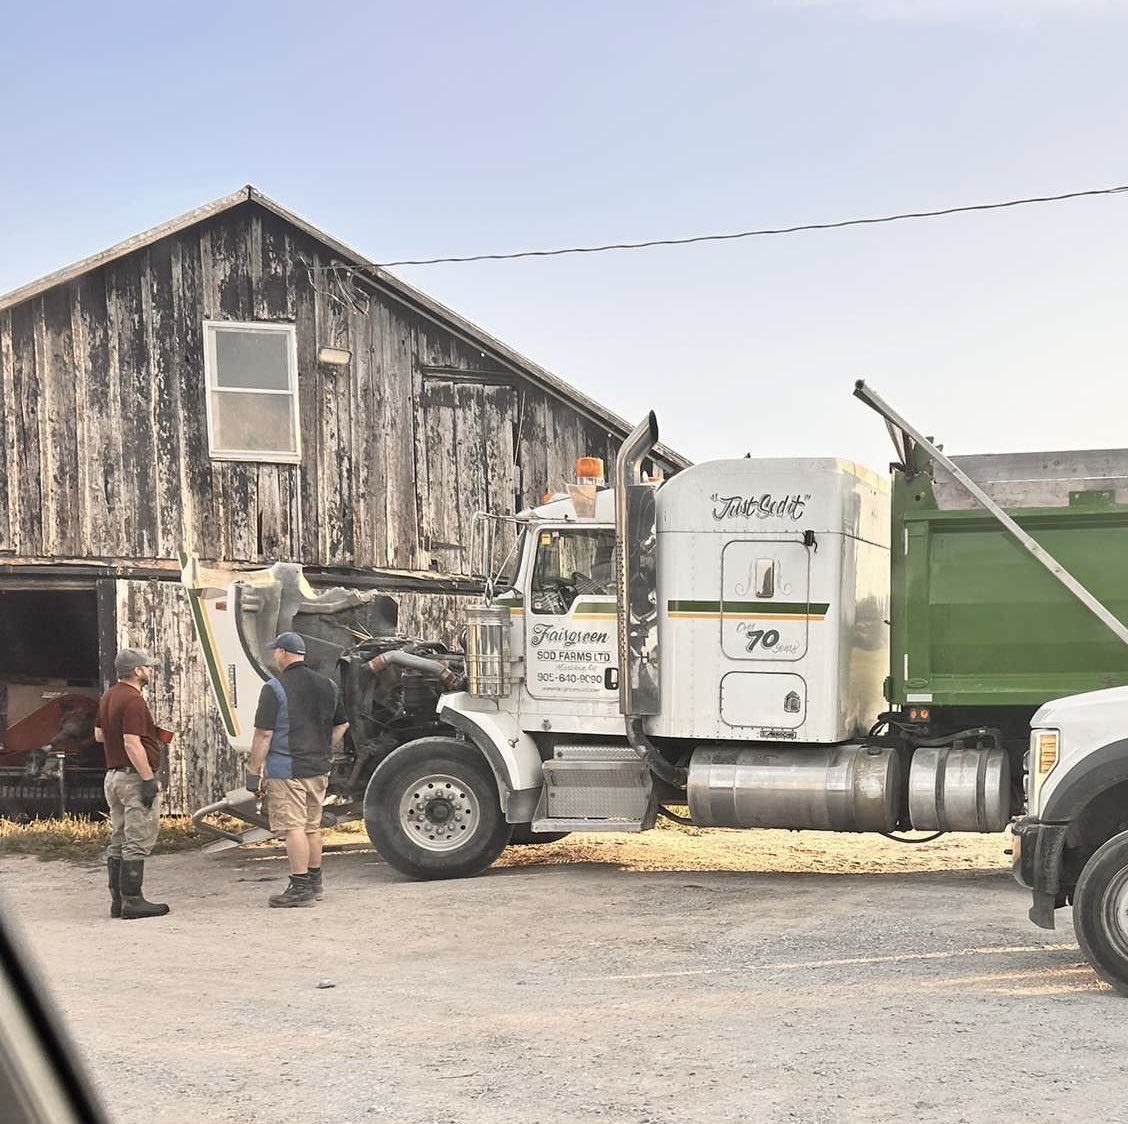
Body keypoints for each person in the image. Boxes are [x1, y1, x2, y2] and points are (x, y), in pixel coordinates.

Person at [246, 632, 349, 908]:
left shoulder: (274, 688)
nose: (273, 657)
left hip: (287, 770)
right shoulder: (327, 685)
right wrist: (322, 746)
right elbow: (342, 725)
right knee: (311, 827)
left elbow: (263, 735)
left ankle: (300, 887)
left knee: (293, 829)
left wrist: (253, 771)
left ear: (282, 653)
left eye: (275, 652)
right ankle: (315, 884)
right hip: (318, 768)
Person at [94, 649, 169, 920]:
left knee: (119, 836)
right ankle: (133, 900)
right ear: (137, 671)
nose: (149, 671)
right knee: (137, 838)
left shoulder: (108, 696)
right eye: (146, 667)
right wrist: (148, 778)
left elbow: (100, 735)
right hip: (133, 777)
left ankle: (118, 901)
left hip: (112, 777)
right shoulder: (134, 700)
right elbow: (131, 742)